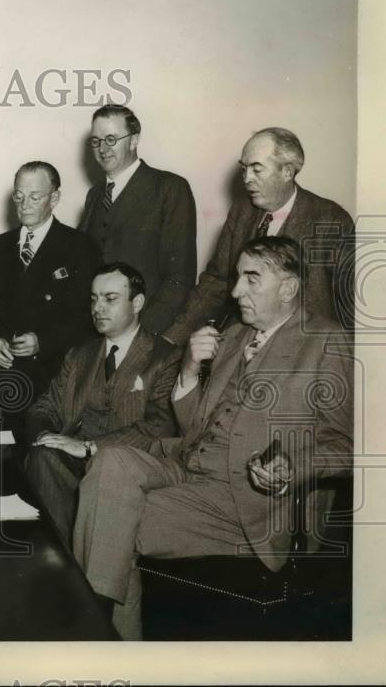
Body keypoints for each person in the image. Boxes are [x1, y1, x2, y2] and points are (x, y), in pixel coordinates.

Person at [74, 237, 353, 640]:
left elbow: (346, 443)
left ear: (289, 288)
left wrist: (294, 465)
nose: (236, 290)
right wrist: (189, 370)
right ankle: (108, 640)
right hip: (191, 471)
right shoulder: (235, 336)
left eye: (252, 279)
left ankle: (99, 637)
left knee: (106, 519)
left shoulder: (327, 341)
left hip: (249, 502)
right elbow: (195, 428)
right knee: (111, 462)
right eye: (238, 276)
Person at [23, 263, 181, 549]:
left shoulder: (165, 358)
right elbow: (43, 409)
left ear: (137, 303)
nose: (98, 307)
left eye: (110, 299)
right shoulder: (79, 355)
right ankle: (61, 564)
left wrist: (89, 447)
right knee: (42, 455)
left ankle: (71, 562)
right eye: (94, 299)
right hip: (73, 471)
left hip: (123, 475)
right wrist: (47, 436)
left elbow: (159, 426)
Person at [165, 127, 353, 344]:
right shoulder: (241, 211)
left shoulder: (330, 220)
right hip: (240, 341)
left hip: (303, 348)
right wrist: (172, 338)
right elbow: (216, 282)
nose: (246, 178)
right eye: (244, 169)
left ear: (287, 172)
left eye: (257, 169)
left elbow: (350, 306)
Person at [0, 161, 101, 431]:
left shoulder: (80, 247)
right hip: (4, 381)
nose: (25, 205)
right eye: (18, 196)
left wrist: (43, 341)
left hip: (54, 380)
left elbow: (88, 319)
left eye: (35, 197)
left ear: (54, 198)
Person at [78, 105, 197, 335]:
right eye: (96, 141)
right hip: (95, 337)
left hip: (146, 334)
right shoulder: (95, 194)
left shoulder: (170, 188)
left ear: (133, 140)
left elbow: (179, 279)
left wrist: (141, 337)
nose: (102, 148)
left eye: (111, 139)